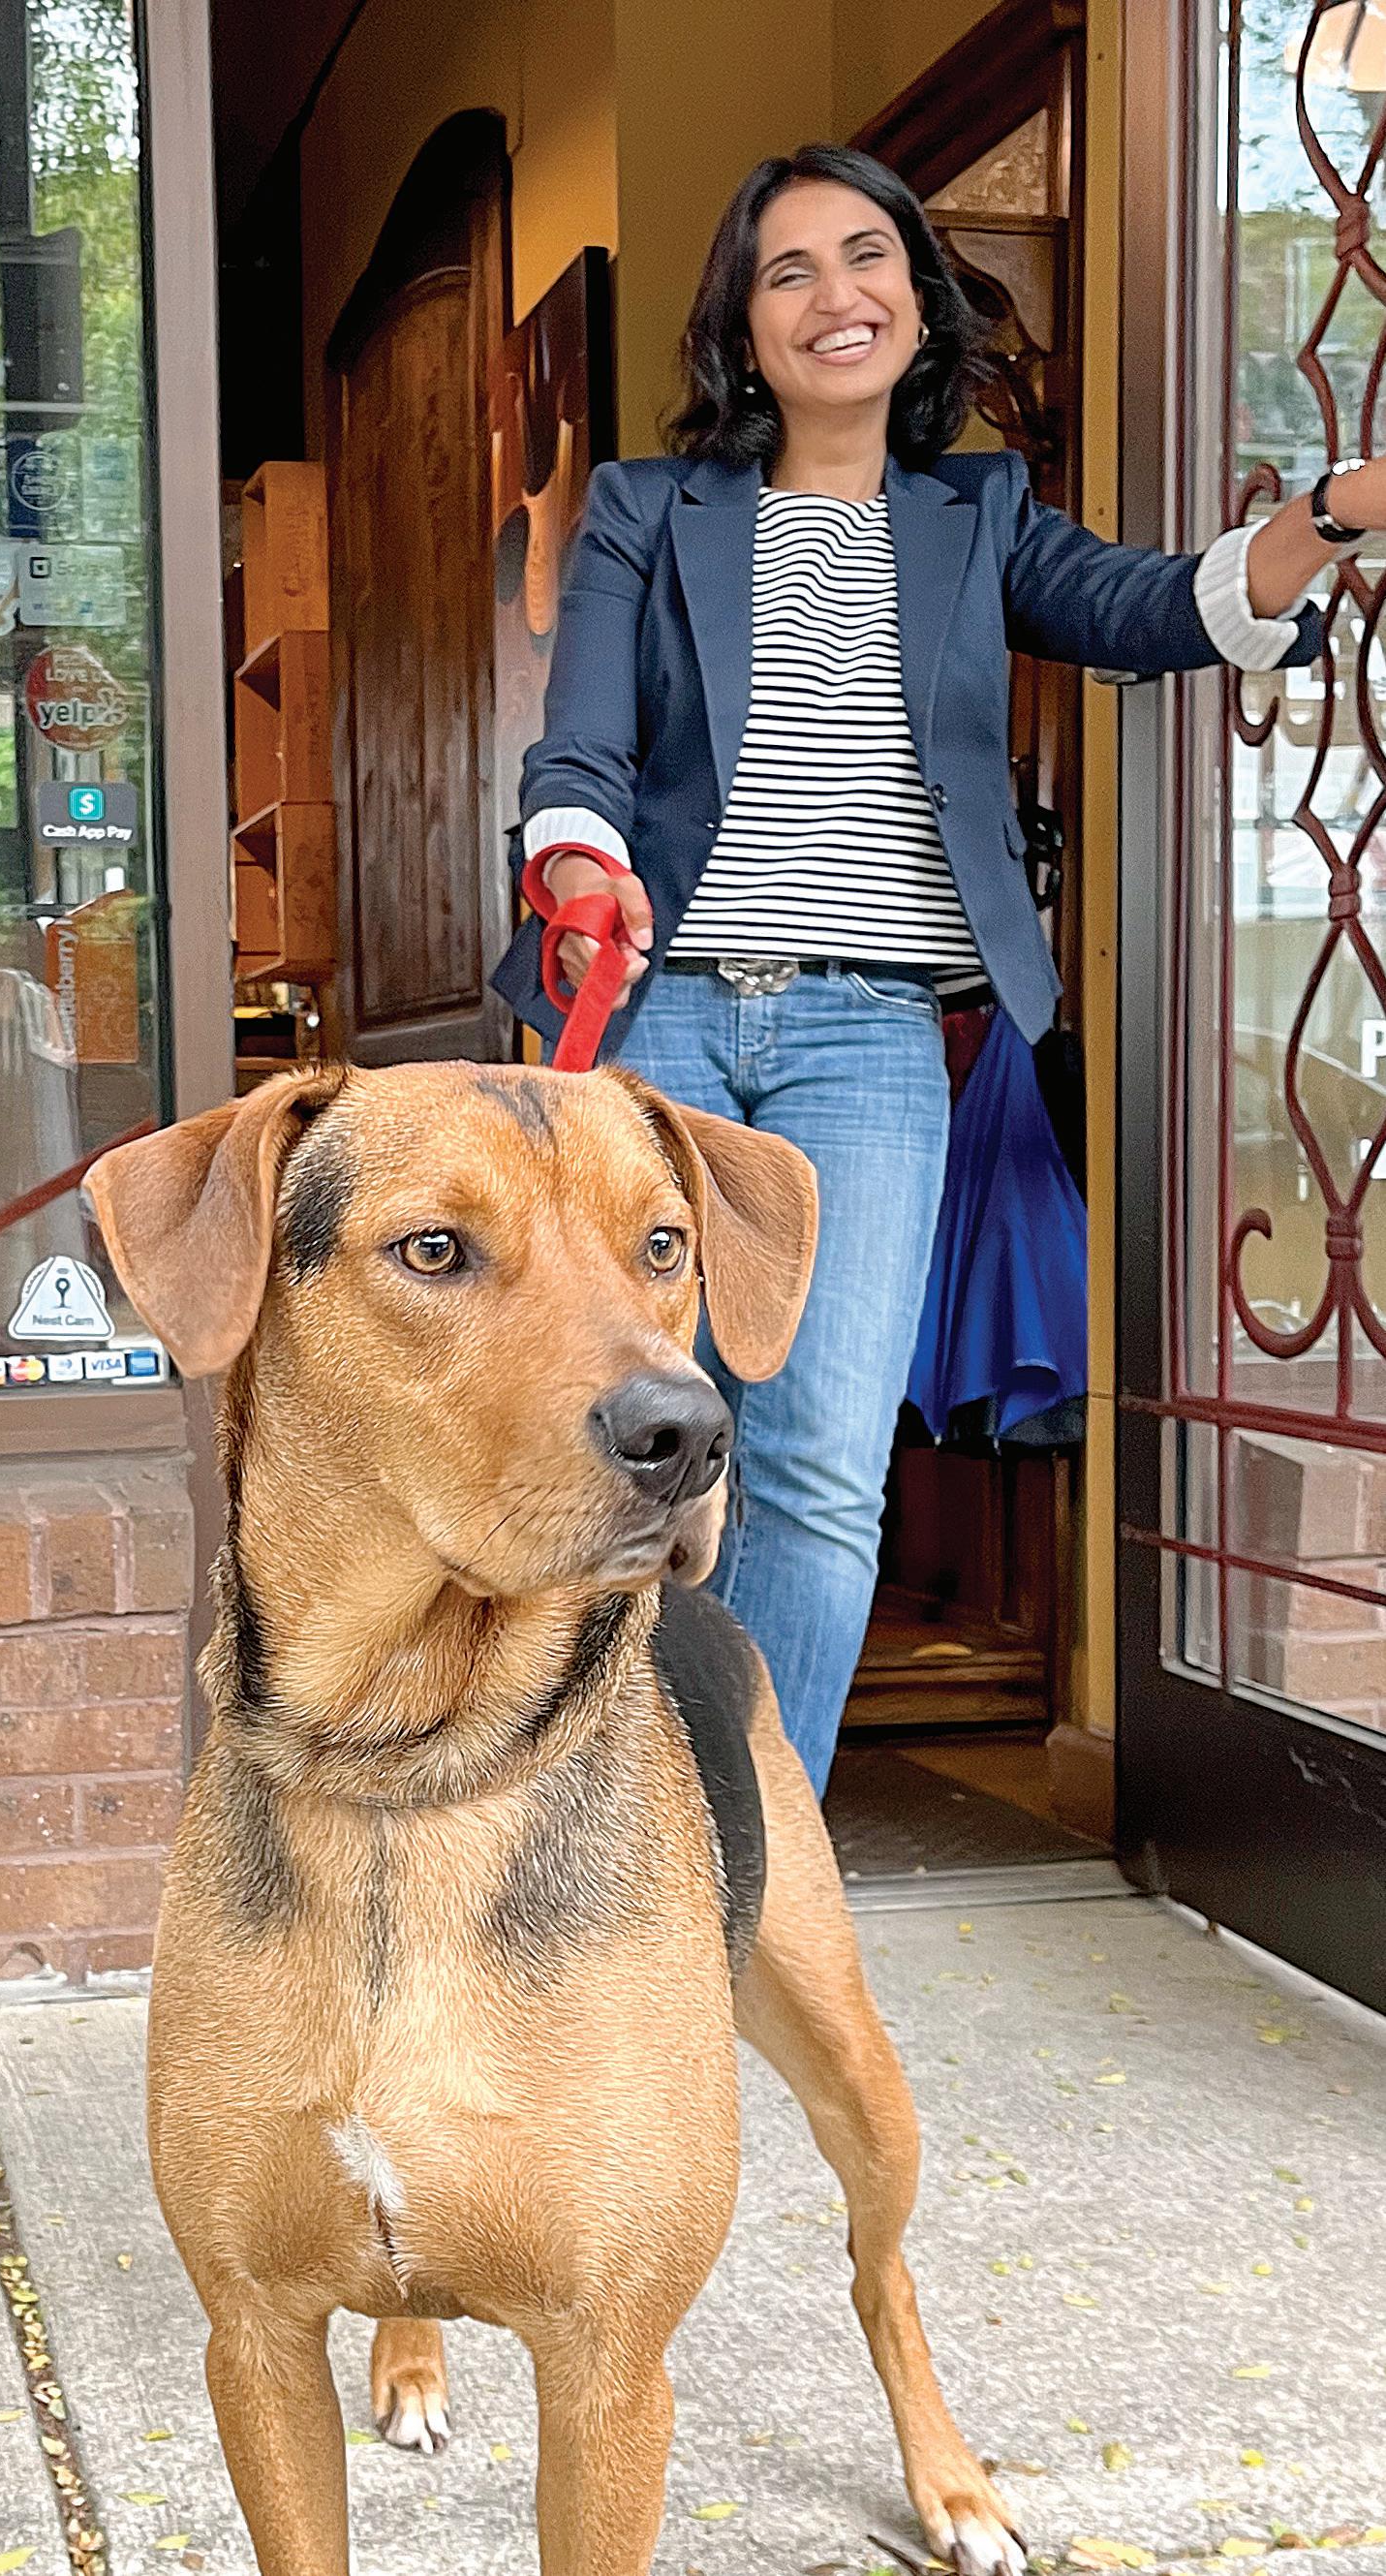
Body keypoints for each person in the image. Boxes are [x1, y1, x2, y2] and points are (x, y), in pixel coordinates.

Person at [492, 140, 1386, 1799]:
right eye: (787, 271)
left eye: (866, 258)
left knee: (825, 1467)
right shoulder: (647, 505)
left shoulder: (977, 519)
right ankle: (582, 1831)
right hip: (658, 1025)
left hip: (870, 1042)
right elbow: (584, 746)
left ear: (914, 298)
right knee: (615, 1450)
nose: (834, 296)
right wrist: (576, 861)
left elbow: (1164, 608)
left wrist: (1337, 508)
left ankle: (749, 1845)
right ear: (739, 326)